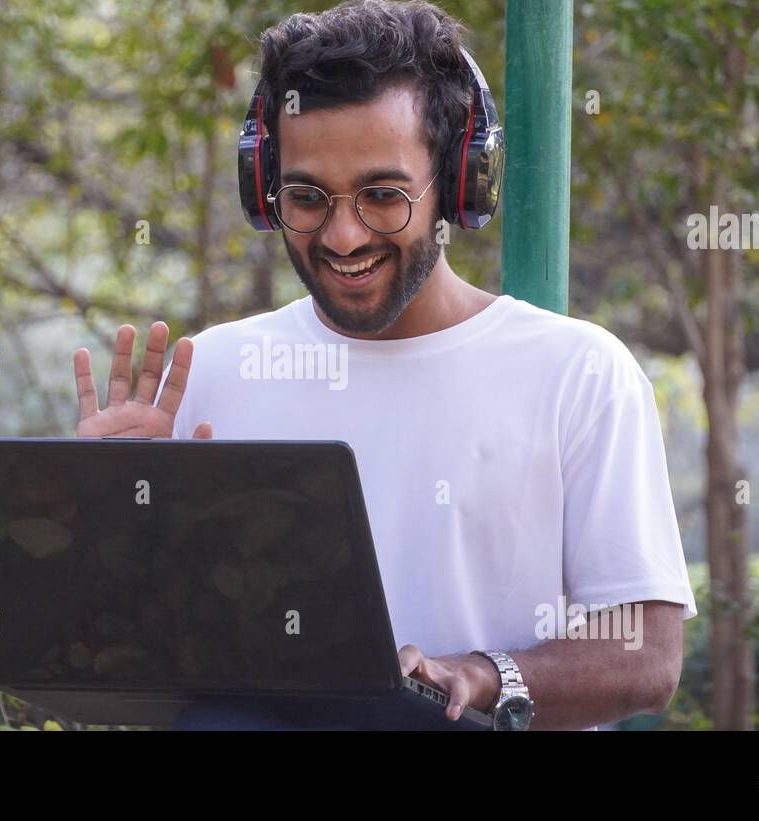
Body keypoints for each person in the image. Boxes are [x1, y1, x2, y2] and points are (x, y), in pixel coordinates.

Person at [71, 0, 696, 730]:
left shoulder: (579, 374)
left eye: (383, 196)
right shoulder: (207, 371)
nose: (343, 234)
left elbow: (649, 657)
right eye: (307, 197)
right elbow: (128, 658)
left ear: (461, 184)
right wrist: (115, 518)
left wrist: (482, 674)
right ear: (265, 191)